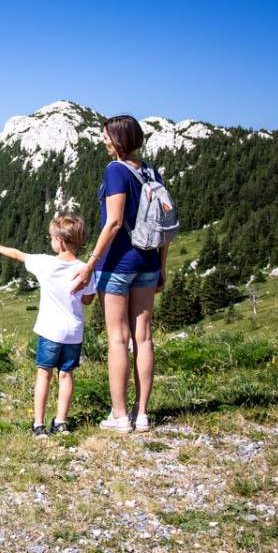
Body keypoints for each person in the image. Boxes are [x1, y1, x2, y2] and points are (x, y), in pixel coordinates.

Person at [69, 115, 170, 433]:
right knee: (144, 337)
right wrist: (161, 266)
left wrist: (90, 263)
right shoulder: (151, 172)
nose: (102, 140)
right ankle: (142, 415)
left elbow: (113, 223)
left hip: (117, 265)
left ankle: (119, 415)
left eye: (106, 136)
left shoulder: (115, 170)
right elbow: (165, 225)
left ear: (118, 140)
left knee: (117, 338)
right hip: (148, 263)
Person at [0, 215, 96, 438]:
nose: (51, 242)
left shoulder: (45, 263)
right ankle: (61, 422)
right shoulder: (85, 269)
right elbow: (87, 300)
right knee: (66, 375)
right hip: (73, 332)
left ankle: (38, 425)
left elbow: (18, 254)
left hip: (49, 330)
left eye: (51, 238)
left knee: (44, 375)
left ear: (60, 241)